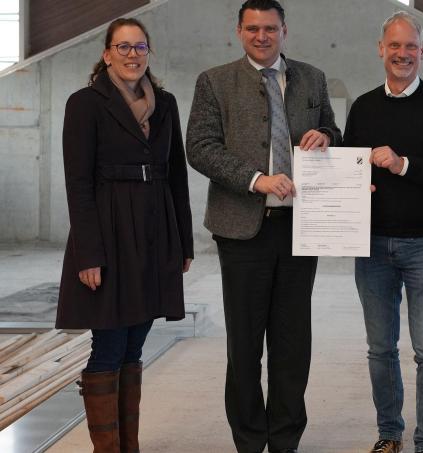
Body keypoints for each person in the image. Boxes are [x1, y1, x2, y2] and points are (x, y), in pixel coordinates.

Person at [185, 1, 340, 452]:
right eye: (252, 28)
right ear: (239, 31)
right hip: (242, 230)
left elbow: (332, 125)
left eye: (270, 28)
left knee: (293, 343)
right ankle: (251, 440)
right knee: (246, 342)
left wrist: (327, 135)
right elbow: (200, 147)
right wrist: (256, 180)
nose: (261, 36)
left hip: (301, 226)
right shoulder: (214, 81)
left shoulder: (312, 77)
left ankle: (286, 439)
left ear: (284, 31)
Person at [56, 17, 193, 453]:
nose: (132, 55)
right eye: (123, 47)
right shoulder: (85, 103)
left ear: (148, 53)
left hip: (155, 229)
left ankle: (126, 445)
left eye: (140, 47)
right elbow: (78, 184)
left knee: (135, 344)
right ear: (106, 53)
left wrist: (184, 243)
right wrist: (88, 254)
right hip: (110, 232)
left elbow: (177, 176)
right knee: (110, 343)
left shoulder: (166, 103)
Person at [342, 11, 423, 453]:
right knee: (380, 349)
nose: (402, 54)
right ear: (381, 50)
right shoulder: (362, 106)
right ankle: (389, 435)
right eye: (394, 46)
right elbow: (347, 168)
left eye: (410, 46)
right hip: (371, 244)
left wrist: (403, 165)